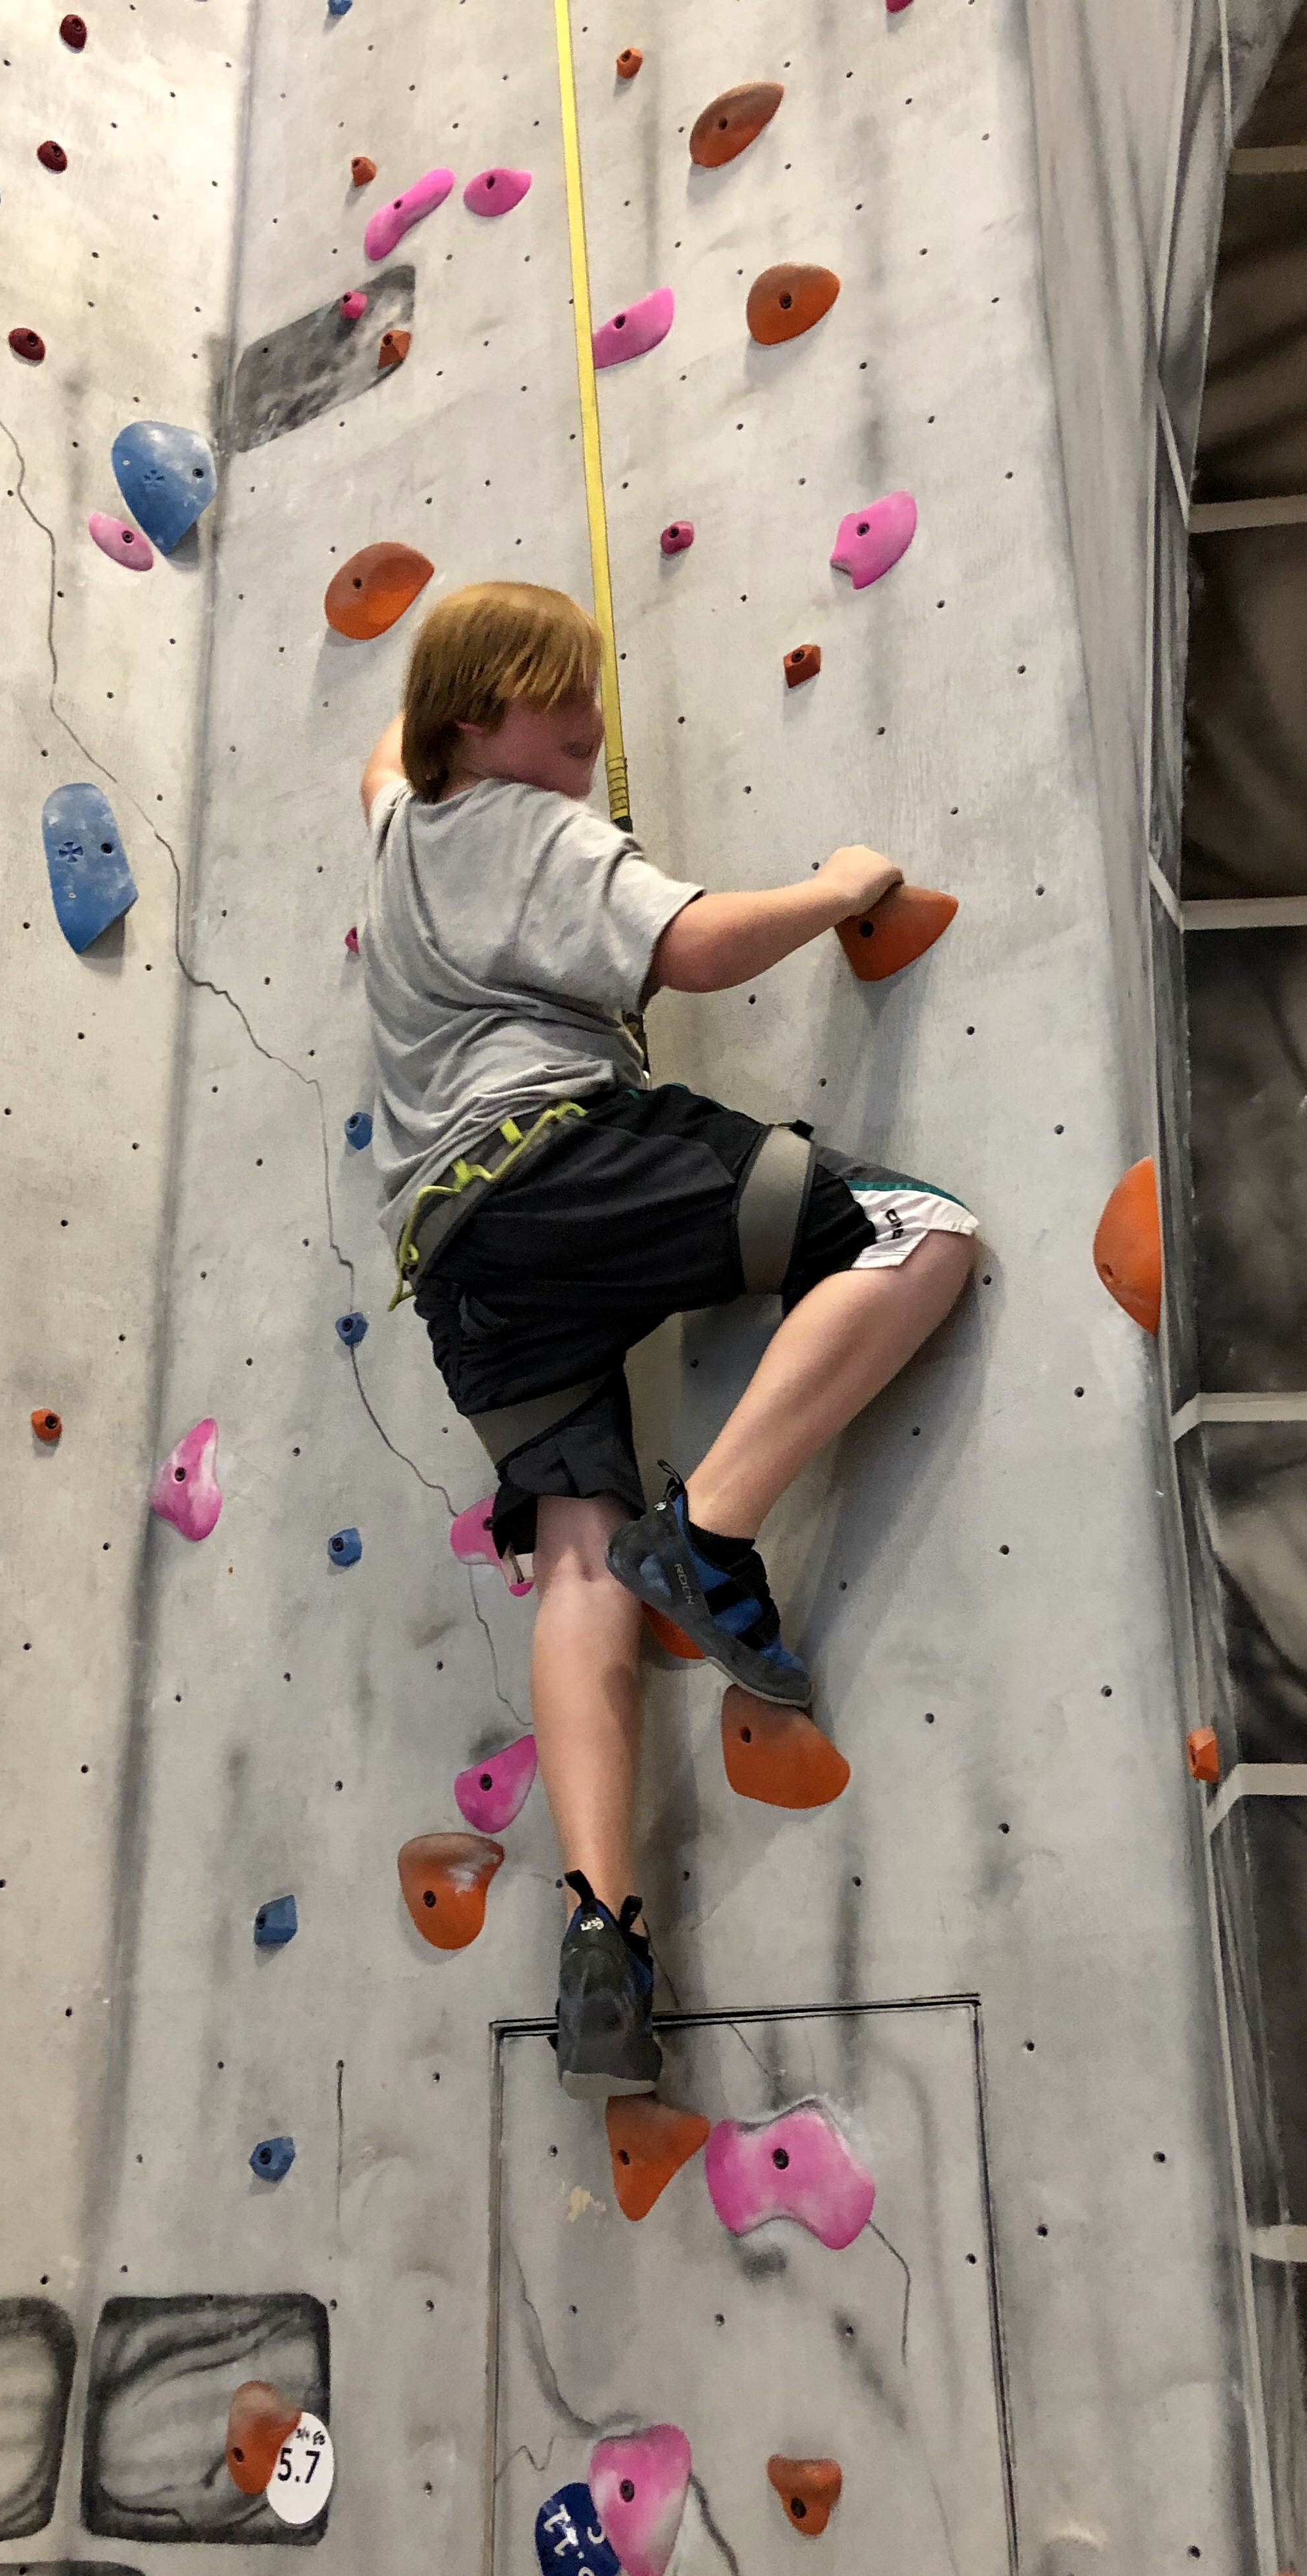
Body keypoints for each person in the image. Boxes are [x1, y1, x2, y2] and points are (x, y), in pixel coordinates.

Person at [359, 581, 977, 2100]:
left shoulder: (404, 833)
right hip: (562, 1163)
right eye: (559, 704)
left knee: (577, 1555)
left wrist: (455, 707)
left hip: (455, 1260)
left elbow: (378, 761)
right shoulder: (533, 830)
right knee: (917, 1233)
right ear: (477, 724)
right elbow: (695, 950)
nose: (588, 732)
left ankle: (603, 1931)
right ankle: (710, 1533)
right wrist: (839, 885)